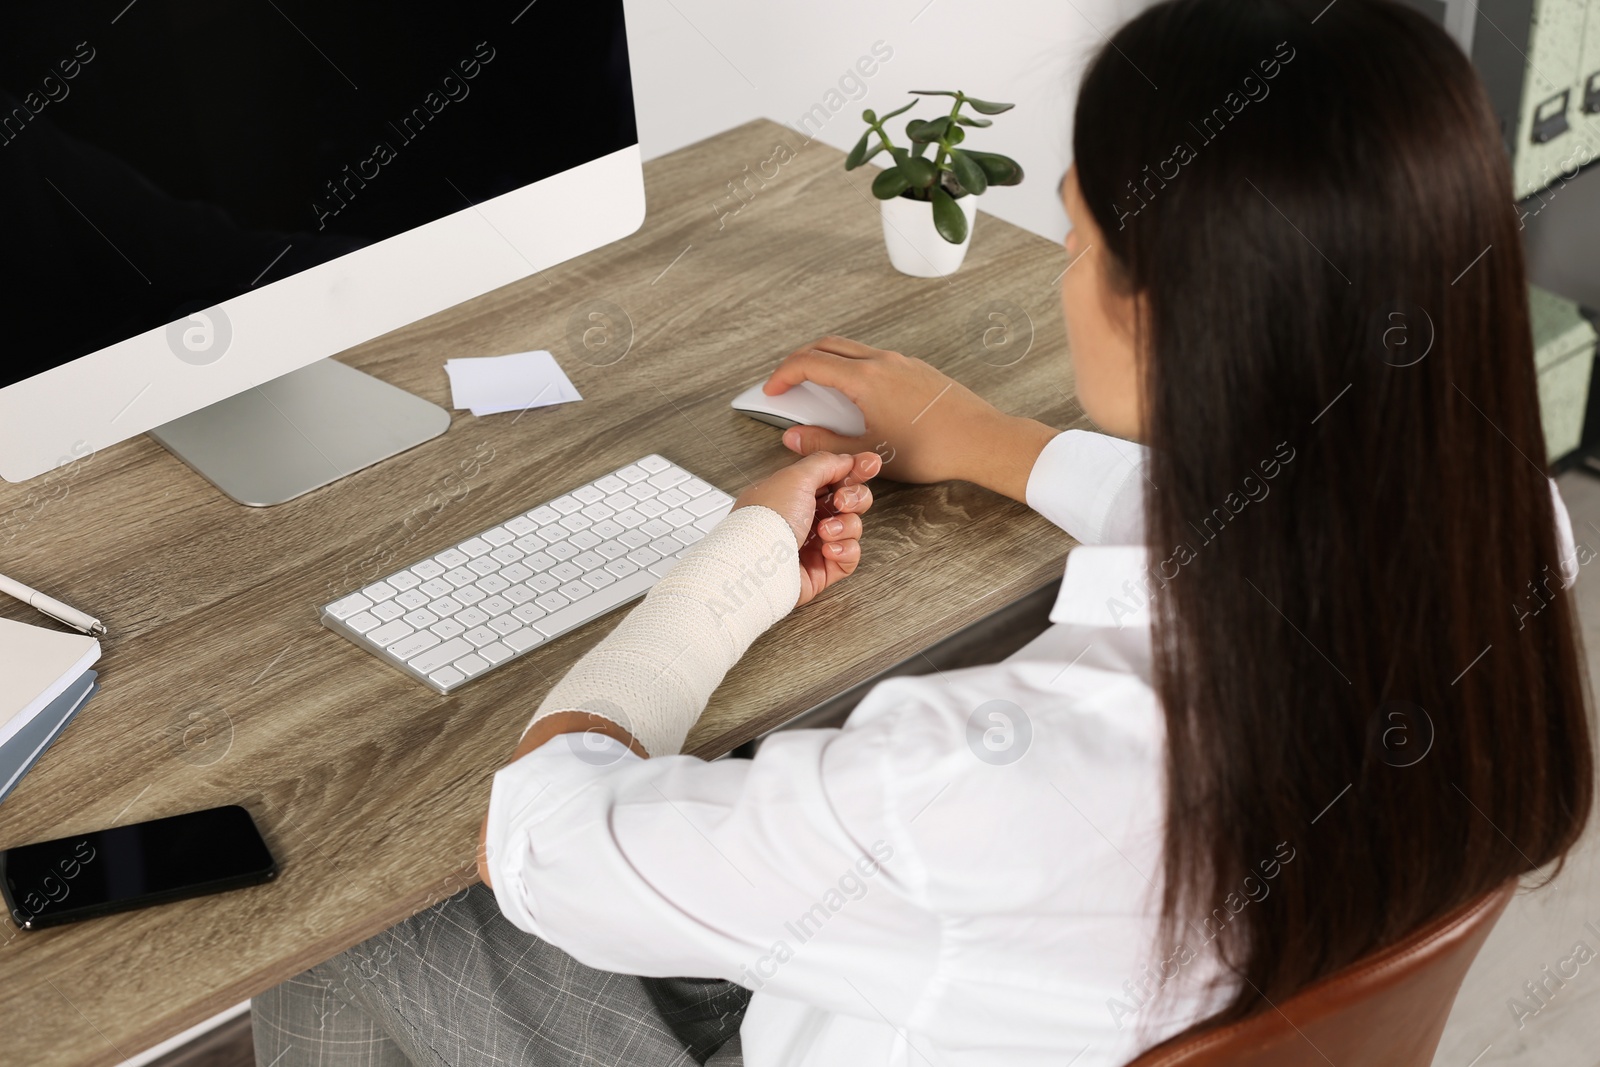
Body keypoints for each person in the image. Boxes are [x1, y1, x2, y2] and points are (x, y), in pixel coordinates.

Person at [252, 0, 1594, 1064]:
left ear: (1165, 316)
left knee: (353, 934)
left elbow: (536, 838)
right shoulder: (1502, 537)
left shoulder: (979, 783)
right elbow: (1249, 532)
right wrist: (984, 436)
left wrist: (727, 572)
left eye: (1072, 241)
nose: (1062, 274)